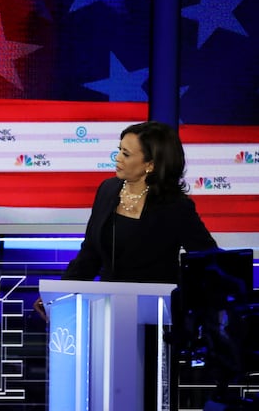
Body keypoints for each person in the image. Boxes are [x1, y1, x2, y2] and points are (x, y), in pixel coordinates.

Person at [34, 121, 217, 320]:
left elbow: (208, 259)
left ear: (150, 164)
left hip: (153, 316)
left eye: (126, 154)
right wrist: (60, 296)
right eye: (119, 150)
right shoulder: (108, 190)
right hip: (107, 311)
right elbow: (90, 255)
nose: (118, 158)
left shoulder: (175, 207)